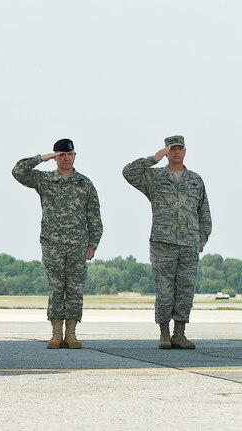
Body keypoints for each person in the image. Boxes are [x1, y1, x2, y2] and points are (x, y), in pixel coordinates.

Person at [12, 138, 103, 349]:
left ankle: (71, 334)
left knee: (74, 289)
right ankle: (55, 334)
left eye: (69, 154)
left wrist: (93, 243)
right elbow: (18, 171)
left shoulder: (85, 184)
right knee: (56, 288)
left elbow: (94, 216)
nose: (66, 158)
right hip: (52, 243)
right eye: (61, 155)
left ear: (75, 156)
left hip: (78, 244)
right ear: (55, 157)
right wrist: (42, 158)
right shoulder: (45, 180)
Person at [123, 136, 212, 349]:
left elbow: (204, 213)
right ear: (166, 151)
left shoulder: (195, 180)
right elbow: (128, 172)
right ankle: (164, 333)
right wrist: (154, 158)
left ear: (185, 151)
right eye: (172, 149)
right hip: (162, 243)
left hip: (189, 244)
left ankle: (179, 334)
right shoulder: (154, 177)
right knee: (164, 290)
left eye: (180, 148)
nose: (176, 152)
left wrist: (202, 238)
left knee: (185, 291)